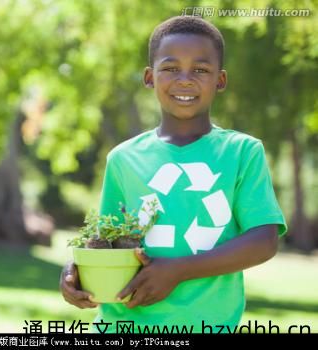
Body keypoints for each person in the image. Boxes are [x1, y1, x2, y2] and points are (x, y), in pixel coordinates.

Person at [60, 15, 287, 333]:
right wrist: (75, 272)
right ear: (149, 77)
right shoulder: (123, 159)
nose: (184, 79)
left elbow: (264, 241)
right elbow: (105, 244)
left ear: (220, 81)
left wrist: (177, 271)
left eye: (200, 69)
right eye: (170, 68)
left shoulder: (242, 152)